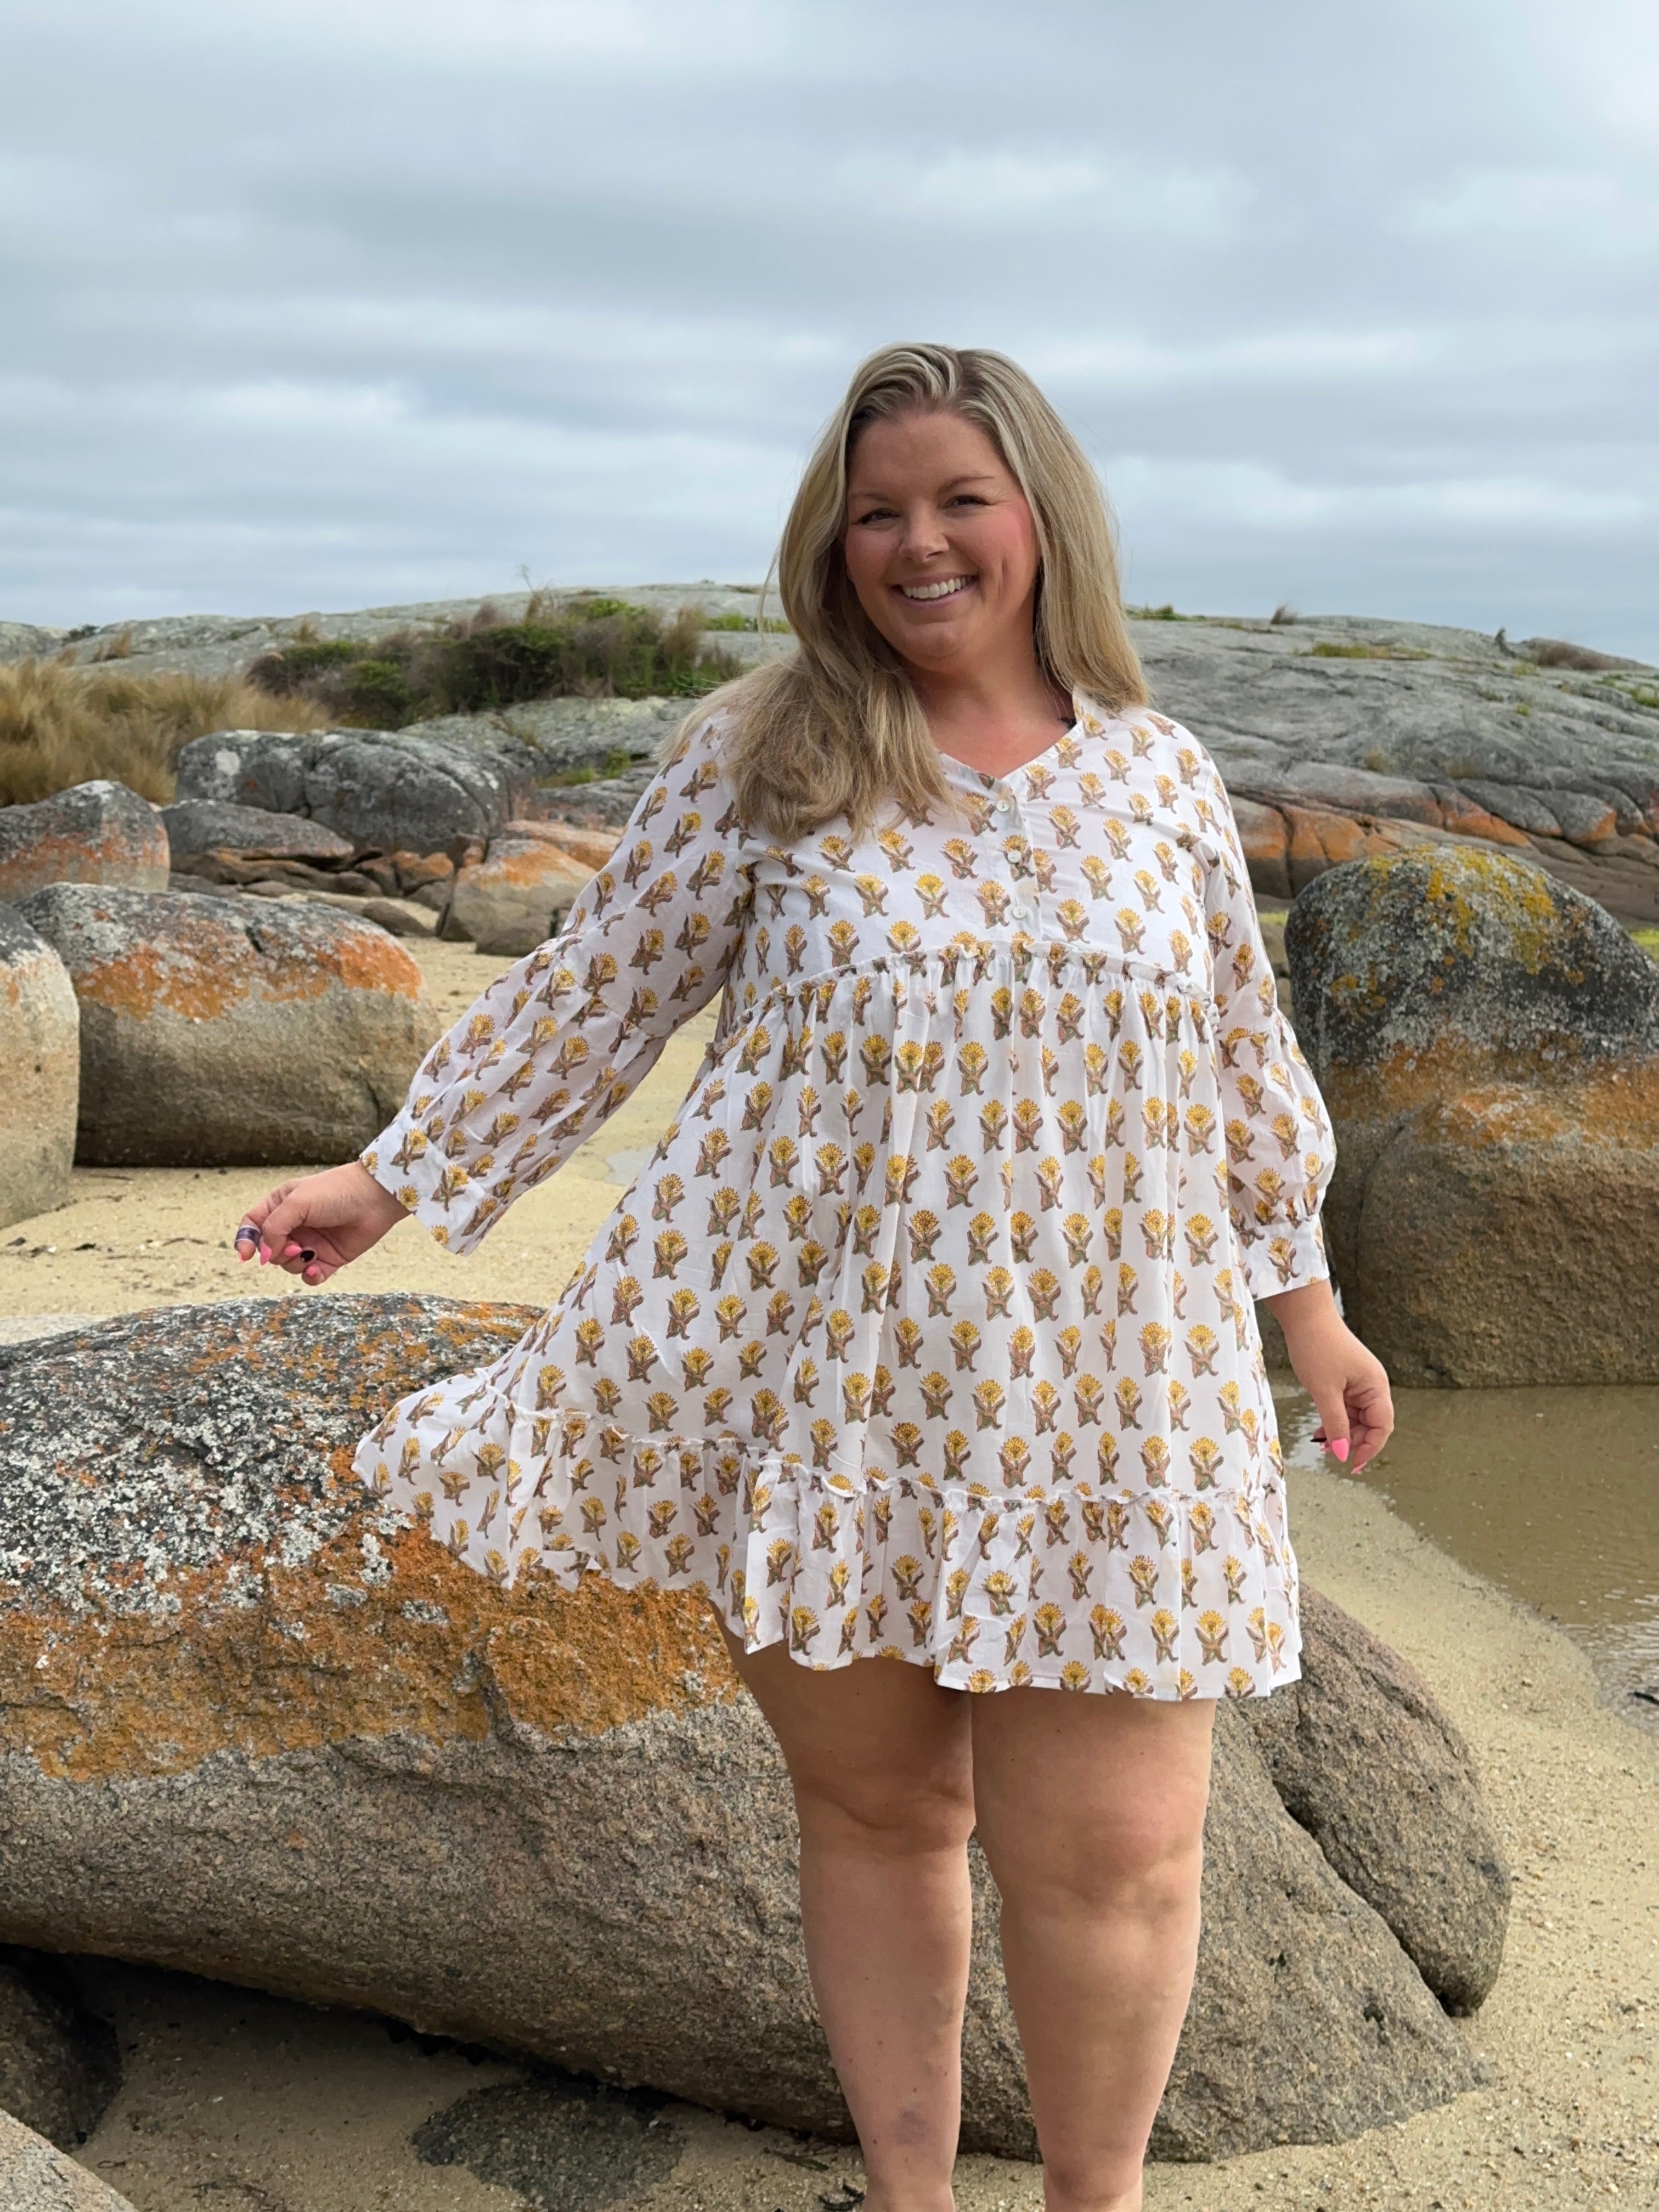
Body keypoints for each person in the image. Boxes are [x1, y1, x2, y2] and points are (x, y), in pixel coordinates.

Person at [240, 343, 1393, 2212]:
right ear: (831, 540)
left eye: (960, 501)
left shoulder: (1164, 778)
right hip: (823, 1379)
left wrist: (1311, 1309)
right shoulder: (767, 750)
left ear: (1042, 520)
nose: (918, 545)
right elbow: (598, 989)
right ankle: (912, 2199)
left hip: (1116, 1384)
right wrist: (393, 1179)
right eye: (879, 512)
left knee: (1120, 1856)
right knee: (879, 1818)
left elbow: (1242, 1064)